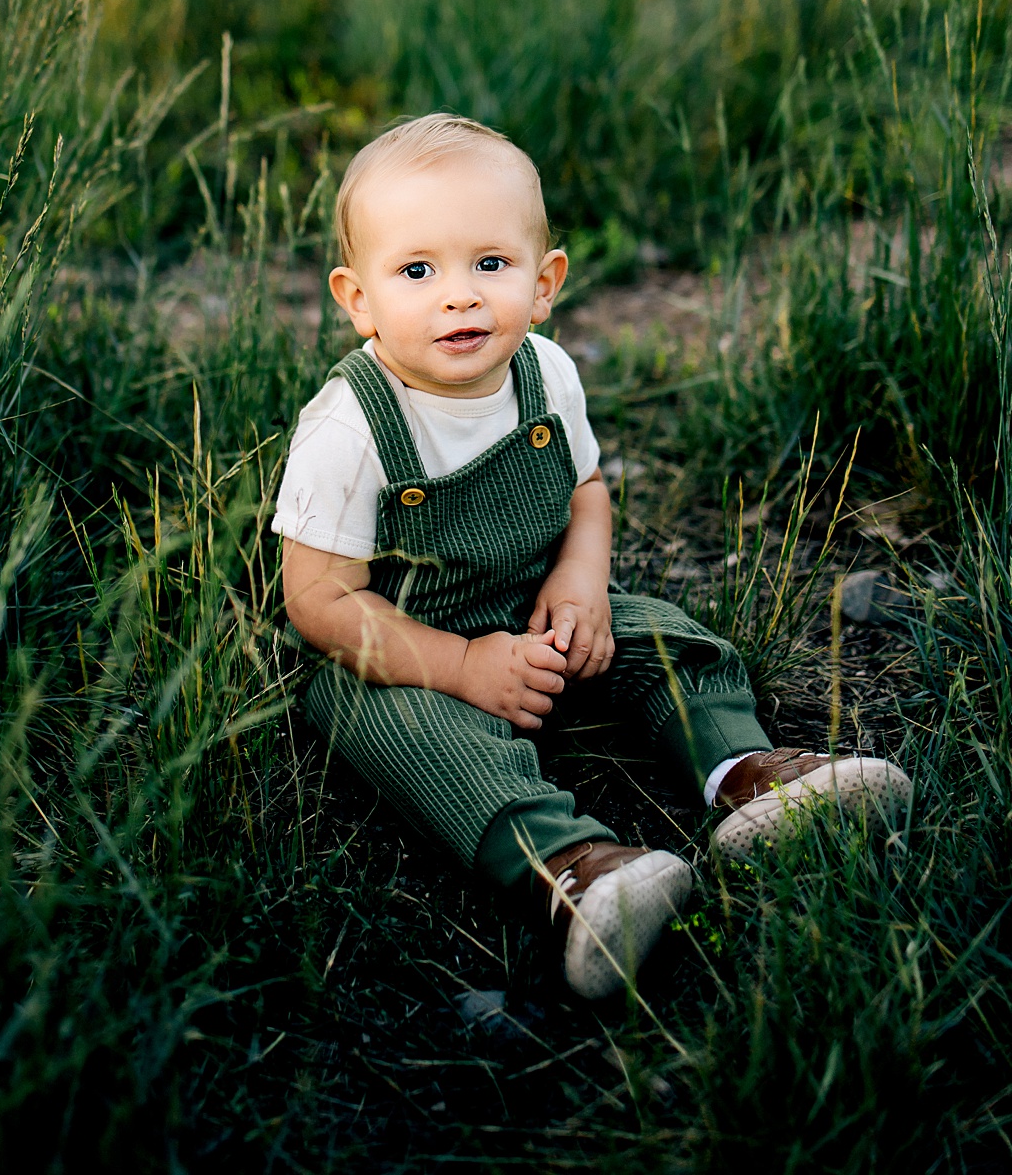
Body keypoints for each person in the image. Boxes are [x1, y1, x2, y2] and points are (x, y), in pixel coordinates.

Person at [274, 115, 911, 999]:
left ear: (544, 284)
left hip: (538, 604)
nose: (458, 296)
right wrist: (460, 665)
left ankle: (747, 776)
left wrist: (580, 584)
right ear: (357, 299)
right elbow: (317, 600)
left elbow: (586, 489)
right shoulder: (350, 430)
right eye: (417, 271)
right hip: (402, 649)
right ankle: (580, 872)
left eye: (489, 265)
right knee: (410, 738)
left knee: (669, 638)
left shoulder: (545, 373)